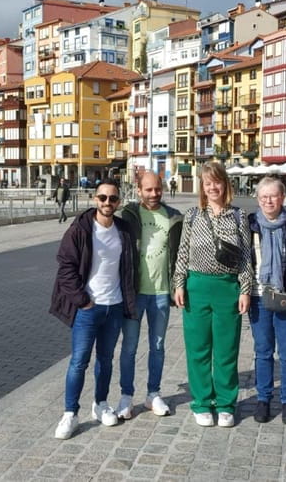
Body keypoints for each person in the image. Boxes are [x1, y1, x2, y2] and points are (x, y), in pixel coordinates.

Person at [50, 182, 136, 439]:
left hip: (115, 305)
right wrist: (82, 300)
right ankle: (70, 413)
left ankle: (100, 404)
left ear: (119, 201)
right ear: (94, 198)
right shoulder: (79, 229)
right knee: (79, 362)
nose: (107, 202)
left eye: (112, 198)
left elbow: (130, 268)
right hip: (88, 308)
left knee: (106, 360)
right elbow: (65, 268)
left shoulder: (124, 230)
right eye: (102, 197)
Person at [172, 161, 254, 428]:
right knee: (198, 349)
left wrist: (245, 289)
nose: (212, 187)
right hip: (197, 287)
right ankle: (202, 402)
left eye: (217, 182)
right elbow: (182, 252)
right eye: (208, 183)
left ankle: (227, 403)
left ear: (225, 184)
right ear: (202, 187)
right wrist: (179, 284)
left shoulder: (239, 216)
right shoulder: (193, 215)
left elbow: (245, 257)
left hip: (226, 288)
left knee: (227, 349)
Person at [117, 172, 183, 419]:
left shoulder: (173, 216)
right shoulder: (129, 215)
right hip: (134, 293)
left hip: (161, 293)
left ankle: (153, 394)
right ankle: (126, 396)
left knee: (157, 346)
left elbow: (180, 254)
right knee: (130, 347)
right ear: (139, 190)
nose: (154, 194)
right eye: (148, 190)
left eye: (157, 189)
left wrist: (179, 285)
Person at [247, 177, 286, 424]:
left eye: (273, 196)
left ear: (283, 197)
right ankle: (263, 399)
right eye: (263, 197)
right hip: (259, 297)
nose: (268, 201)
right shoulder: (250, 225)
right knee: (262, 352)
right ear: (258, 199)